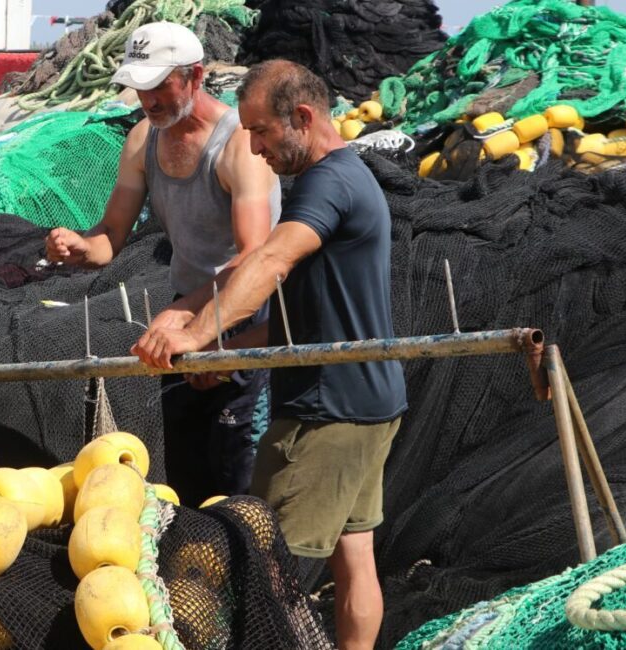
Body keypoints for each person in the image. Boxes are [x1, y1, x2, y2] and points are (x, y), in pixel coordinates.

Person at [132, 59, 407, 650]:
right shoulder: (349, 177)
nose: (255, 149)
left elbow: (269, 260)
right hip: (373, 401)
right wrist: (230, 351)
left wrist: (195, 333)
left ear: (302, 118)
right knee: (354, 558)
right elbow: (306, 320)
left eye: (260, 131)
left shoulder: (327, 183)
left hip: (326, 414)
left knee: (261, 565)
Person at [45, 22, 281, 505]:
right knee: (186, 467)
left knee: (239, 471)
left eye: (159, 85)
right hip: (184, 315)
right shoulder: (143, 141)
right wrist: (79, 246)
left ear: (195, 76)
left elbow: (253, 257)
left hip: (246, 315)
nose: (148, 100)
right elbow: (111, 236)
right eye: (140, 87)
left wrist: (197, 322)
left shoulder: (237, 145)